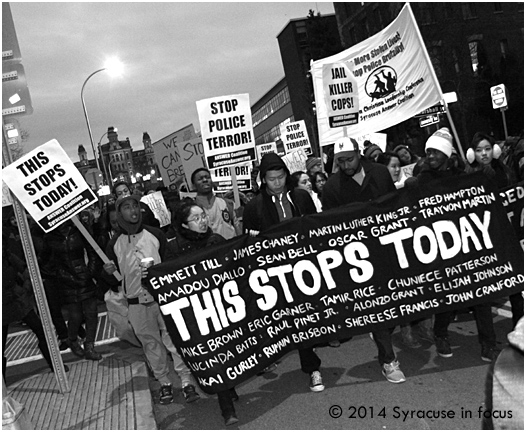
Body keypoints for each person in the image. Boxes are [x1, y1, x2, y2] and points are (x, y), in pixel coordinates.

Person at [412, 127, 501, 362]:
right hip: (443, 245)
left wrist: (485, 176)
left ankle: (488, 345)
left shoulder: (464, 175)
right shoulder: (423, 179)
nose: (429, 156)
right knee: (449, 296)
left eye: (434, 152)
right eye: (427, 152)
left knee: (481, 295)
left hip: (469, 242)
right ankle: (441, 333)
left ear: (446, 154)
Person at [322, 136, 406, 384]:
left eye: (349, 159)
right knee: (379, 305)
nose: (346, 165)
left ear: (359, 154)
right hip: (359, 257)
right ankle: (389, 361)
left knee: (395, 302)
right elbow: (330, 225)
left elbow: (394, 205)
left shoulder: (380, 173)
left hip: (388, 246)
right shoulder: (332, 187)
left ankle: (383, 331)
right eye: (340, 162)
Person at [102, 194, 200, 405]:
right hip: (136, 304)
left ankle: (186, 381)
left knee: (174, 341)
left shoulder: (155, 234)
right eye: (127, 207)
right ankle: (164, 383)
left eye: (135, 205)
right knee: (151, 345)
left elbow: (169, 264)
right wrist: (108, 272)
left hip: (162, 299)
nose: (133, 210)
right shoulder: (114, 244)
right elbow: (113, 281)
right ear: (119, 214)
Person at [242, 152, 325, 392]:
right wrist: (252, 238)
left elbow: (315, 226)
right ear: (263, 180)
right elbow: (248, 243)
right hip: (274, 273)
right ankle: (294, 362)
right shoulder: (255, 207)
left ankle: (312, 365)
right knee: (287, 320)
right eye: (271, 179)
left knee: (306, 317)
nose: (277, 182)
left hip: (305, 266)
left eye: (280, 177)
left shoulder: (300, 196)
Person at [165, 200, 239, 425]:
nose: (203, 221)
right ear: (184, 225)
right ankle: (227, 408)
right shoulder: (174, 248)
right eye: (196, 218)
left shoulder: (215, 240)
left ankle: (229, 384)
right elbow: (168, 278)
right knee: (215, 355)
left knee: (229, 350)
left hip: (223, 304)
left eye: (203, 216)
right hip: (198, 312)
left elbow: (234, 264)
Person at [466, 132, 522, 329]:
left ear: (495, 151)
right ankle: (487, 341)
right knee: (486, 291)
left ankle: (520, 328)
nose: (484, 154)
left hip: (509, 236)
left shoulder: (504, 170)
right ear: (472, 154)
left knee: (518, 284)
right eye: (479, 150)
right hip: (485, 241)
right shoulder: (468, 176)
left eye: (488, 149)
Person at [2, 234, 69, 375]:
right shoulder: (7, 256)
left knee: (41, 331)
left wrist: (24, 288)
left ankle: (55, 364)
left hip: (17, 302)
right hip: (6, 305)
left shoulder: (8, 256)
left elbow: (25, 272)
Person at [39, 220, 102, 361]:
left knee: (92, 313)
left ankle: (89, 346)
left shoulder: (79, 229)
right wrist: (58, 274)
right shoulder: (50, 236)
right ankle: (72, 340)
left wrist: (90, 272)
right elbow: (44, 260)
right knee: (76, 316)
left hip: (84, 276)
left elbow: (93, 251)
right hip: (66, 280)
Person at [191, 167, 241, 239]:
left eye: (207, 177)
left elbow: (238, 228)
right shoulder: (191, 209)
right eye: (200, 179)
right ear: (193, 185)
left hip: (232, 246)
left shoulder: (227, 203)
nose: (205, 180)